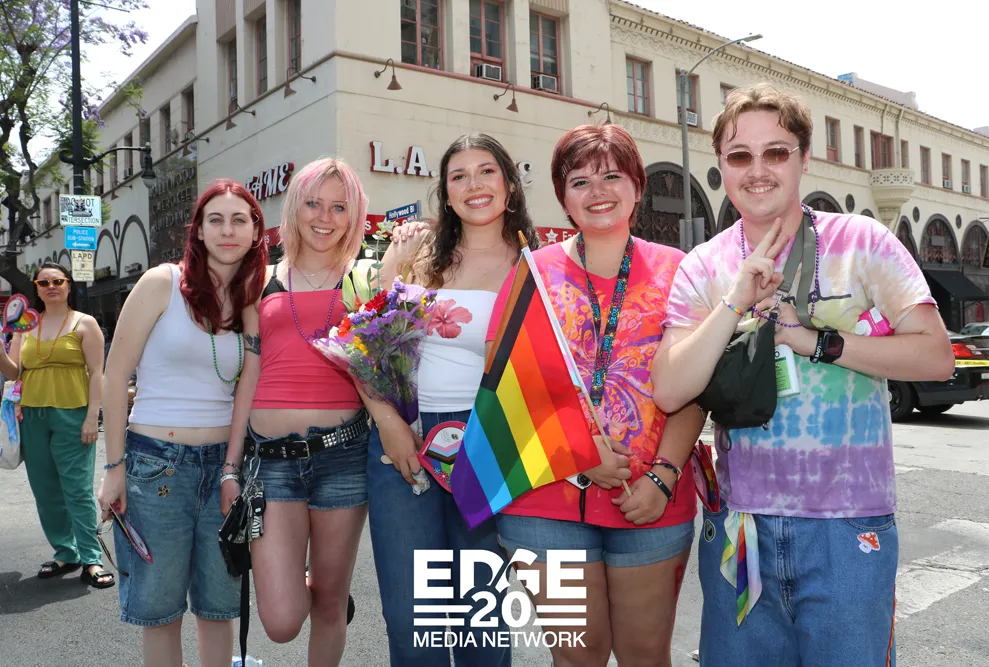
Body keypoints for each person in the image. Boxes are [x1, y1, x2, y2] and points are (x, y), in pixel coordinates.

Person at [655, 83, 954, 667]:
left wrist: (816, 341)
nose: (757, 170)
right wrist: (735, 302)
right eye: (739, 155)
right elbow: (670, 389)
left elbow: (935, 357)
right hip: (741, 526)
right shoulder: (704, 265)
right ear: (721, 165)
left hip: (849, 527)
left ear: (804, 158)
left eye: (776, 152)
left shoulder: (861, 241)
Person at [484, 123, 703, 666]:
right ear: (563, 197)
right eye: (579, 181)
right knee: (577, 658)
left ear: (637, 186)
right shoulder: (532, 273)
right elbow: (505, 387)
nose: (597, 192)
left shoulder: (680, 271)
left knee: (645, 655)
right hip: (545, 501)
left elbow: (698, 387)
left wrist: (663, 476)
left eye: (612, 177)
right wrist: (578, 451)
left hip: (652, 498)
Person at [367, 133, 540, 667]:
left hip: (487, 440)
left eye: (486, 171)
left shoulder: (536, 264)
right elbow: (370, 346)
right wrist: (389, 424)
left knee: (478, 615)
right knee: (412, 616)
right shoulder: (415, 254)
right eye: (458, 176)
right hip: (403, 439)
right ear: (445, 192)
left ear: (509, 184)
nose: (474, 185)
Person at [96, 179, 268, 667]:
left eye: (239, 220)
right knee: (160, 613)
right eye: (216, 220)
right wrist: (114, 468)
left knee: (218, 608)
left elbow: (248, 387)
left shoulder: (252, 299)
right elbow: (115, 376)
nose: (227, 230)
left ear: (257, 232)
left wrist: (232, 469)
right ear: (199, 230)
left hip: (222, 468)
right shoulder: (162, 283)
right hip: (156, 467)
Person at [222, 158, 368, 666]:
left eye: (339, 207)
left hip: (344, 457)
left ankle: (332, 596)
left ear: (354, 216)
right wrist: (230, 467)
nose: (324, 217)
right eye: (313, 203)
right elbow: (249, 373)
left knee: (328, 602)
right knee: (281, 621)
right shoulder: (261, 280)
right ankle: (322, 590)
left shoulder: (364, 280)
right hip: (271, 463)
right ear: (294, 208)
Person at [0, 263, 109, 587]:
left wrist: (92, 417)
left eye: (57, 281)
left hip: (73, 415)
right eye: (43, 282)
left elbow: (97, 374)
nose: (51, 287)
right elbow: (14, 372)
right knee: (45, 490)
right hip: (32, 417)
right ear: (36, 287)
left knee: (77, 490)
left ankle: (91, 558)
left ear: (68, 285)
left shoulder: (84, 323)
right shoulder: (25, 326)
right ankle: (66, 552)